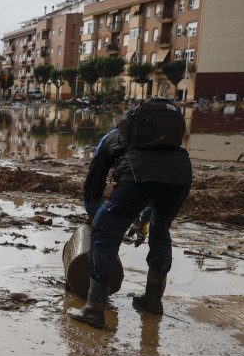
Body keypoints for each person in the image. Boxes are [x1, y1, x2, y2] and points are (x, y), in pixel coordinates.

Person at [69, 100, 192, 329]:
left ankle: (94, 309)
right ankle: (153, 300)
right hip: (180, 175)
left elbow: (94, 183)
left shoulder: (110, 138)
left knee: (105, 235)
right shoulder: (169, 142)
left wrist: (94, 216)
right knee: (161, 229)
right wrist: (144, 219)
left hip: (137, 177)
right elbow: (156, 188)